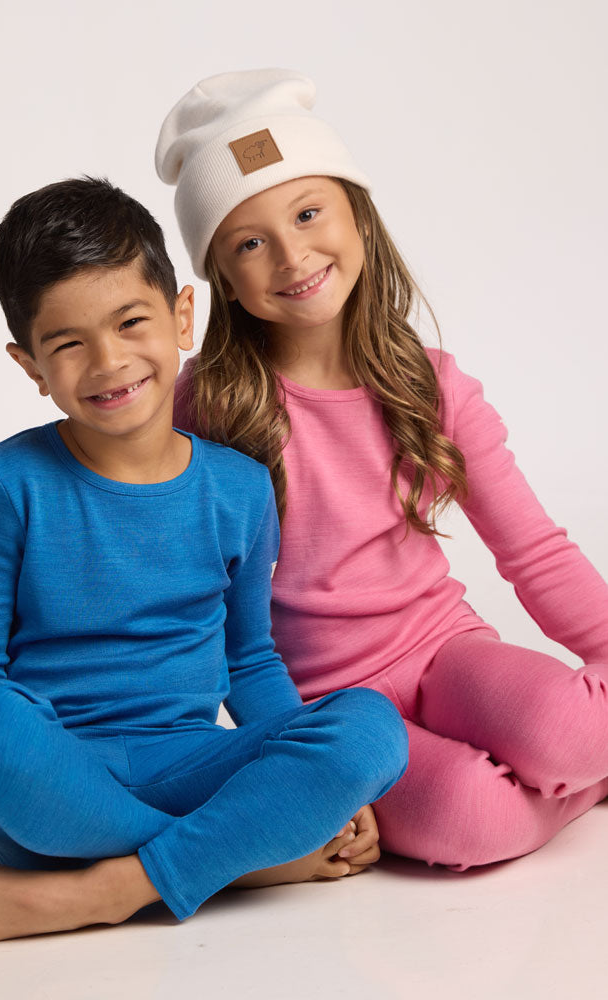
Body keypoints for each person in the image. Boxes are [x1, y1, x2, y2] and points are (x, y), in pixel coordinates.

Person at [0, 177, 409, 948]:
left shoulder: (240, 487)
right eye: (68, 345)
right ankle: (246, 860)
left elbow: (249, 659)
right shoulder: (11, 482)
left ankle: (106, 891)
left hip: (189, 763)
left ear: (181, 315)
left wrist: (307, 763)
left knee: (371, 728)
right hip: (53, 789)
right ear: (29, 365)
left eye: (129, 322)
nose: (108, 362)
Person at [157, 68, 608, 870]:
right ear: (222, 276)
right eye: (250, 242)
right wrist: (302, 764)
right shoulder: (210, 410)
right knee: (470, 817)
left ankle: (577, 764)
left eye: (308, 212)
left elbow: (532, 549)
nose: (293, 255)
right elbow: (202, 612)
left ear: (357, 215)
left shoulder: (428, 383)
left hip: (444, 649)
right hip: (331, 707)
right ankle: (577, 787)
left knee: (572, 727)